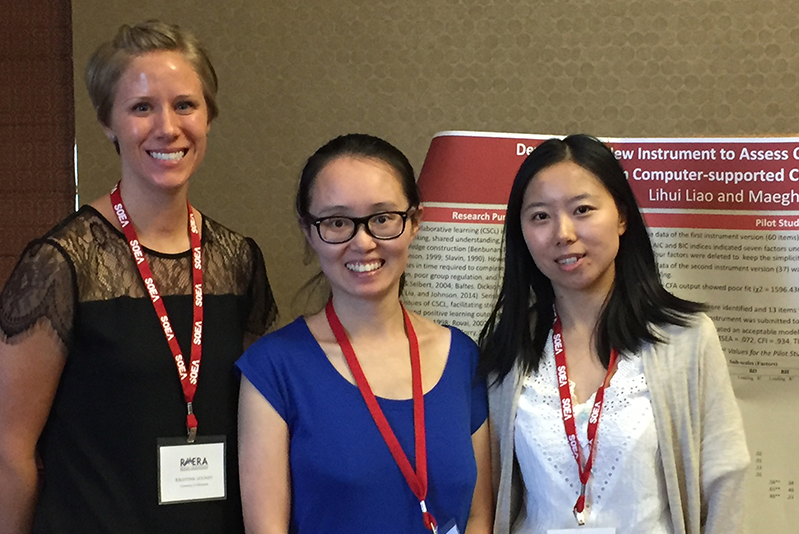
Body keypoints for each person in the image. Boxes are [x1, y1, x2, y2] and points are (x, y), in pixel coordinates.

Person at [0, 20, 277, 533]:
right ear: (108, 122)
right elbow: (9, 448)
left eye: (185, 105)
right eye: (141, 107)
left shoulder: (239, 261)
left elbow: (260, 428)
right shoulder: (61, 263)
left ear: (209, 116)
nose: (167, 127)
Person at [479, 135, 749, 534]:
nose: (563, 232)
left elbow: (726, 479)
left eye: (582, 209)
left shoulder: (685, 339)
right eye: (540, 216)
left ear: (621, 216)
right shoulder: (509, 345)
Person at [236, 133, 493, 534]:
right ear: (308, 231)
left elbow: (478, 517)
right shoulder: (274, 369)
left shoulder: (462, 357)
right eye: (337, 222)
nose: (364, 241)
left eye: (383, 218)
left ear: (414, 222)